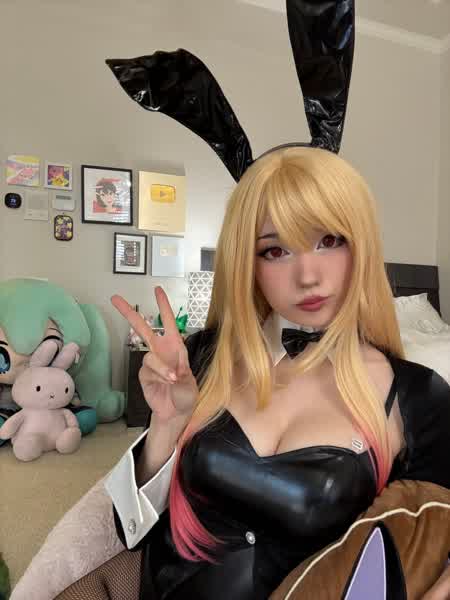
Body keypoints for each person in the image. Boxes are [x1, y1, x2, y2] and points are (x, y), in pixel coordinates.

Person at [56, 146, 450, 600]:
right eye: (276, 250)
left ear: (362, 245)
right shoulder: (203, 357)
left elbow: (434, 546)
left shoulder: (417, 396)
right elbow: (130, 531)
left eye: (330, 240)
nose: (308, 276)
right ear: (249, 264)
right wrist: (167, 424)